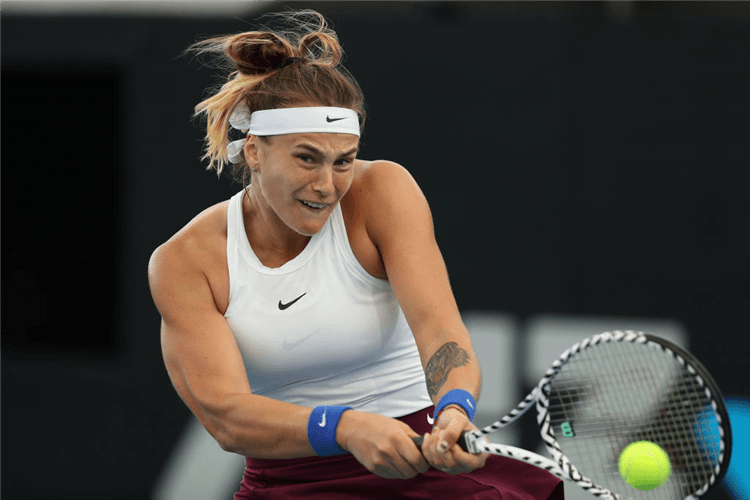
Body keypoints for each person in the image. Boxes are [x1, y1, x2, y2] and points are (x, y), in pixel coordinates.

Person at [148, 9, 563, 500]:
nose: (327, 186)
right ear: (255, 151)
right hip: (290, 481)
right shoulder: (186, 261)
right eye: (306, 157)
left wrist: (454, 408)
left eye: (343, 161)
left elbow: (441, 332)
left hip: (421, 456)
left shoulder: (383, 191)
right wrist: (345, 428)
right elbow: (226, 417)